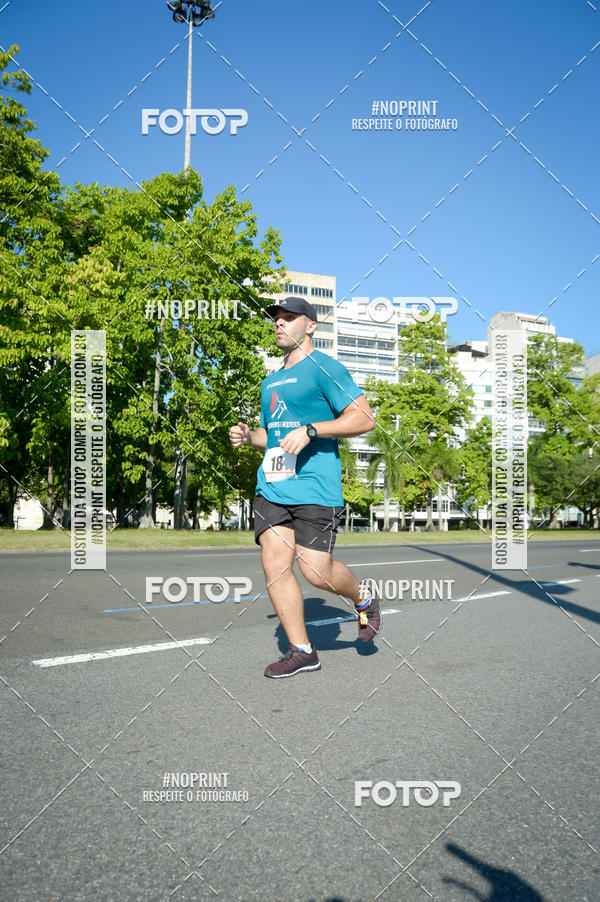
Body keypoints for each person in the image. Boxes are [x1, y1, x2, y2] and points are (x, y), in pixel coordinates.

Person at [229, 296, 381, 679]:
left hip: (315, 486)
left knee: (316, 573)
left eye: (289, 318)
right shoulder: (271, 381)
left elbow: (363, 418)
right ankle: (302, 650)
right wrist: (251, 438)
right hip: (274, 486)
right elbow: (275, 436)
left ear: (310, 326)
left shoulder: (323, 368)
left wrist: (313, 430)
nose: (279, 323)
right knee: (275, 565)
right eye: (276, 319)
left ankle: (363, 597)